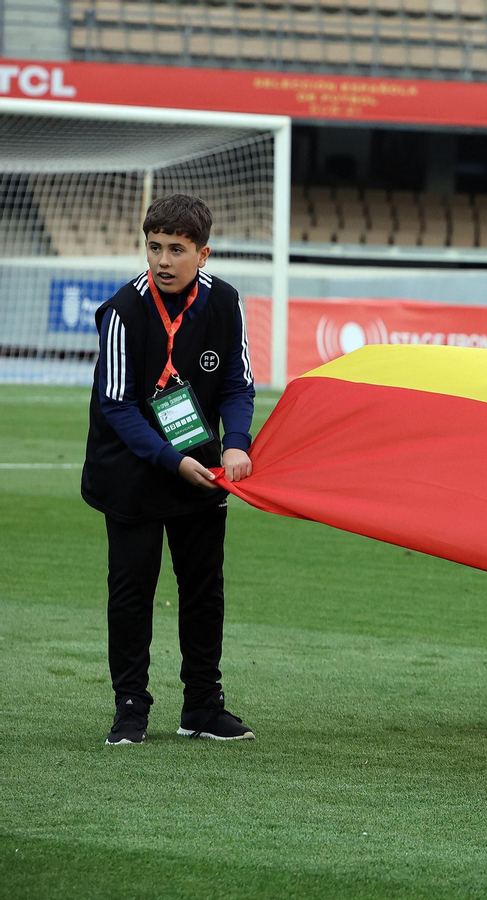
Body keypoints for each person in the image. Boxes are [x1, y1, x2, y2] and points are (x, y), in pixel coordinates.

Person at [82, 193, 257, 745]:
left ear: (203, 254)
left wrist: (235, 444)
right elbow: (117, 406)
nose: (162, 259)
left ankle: (203, 705)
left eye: (176, 249)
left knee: (204, 589)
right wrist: (170, 459)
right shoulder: (121, 311)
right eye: (154, 246)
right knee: (132, 591)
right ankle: (131, 706)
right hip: (132, 473)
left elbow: (236, 383)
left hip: (202, 469)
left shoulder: (225, 303)